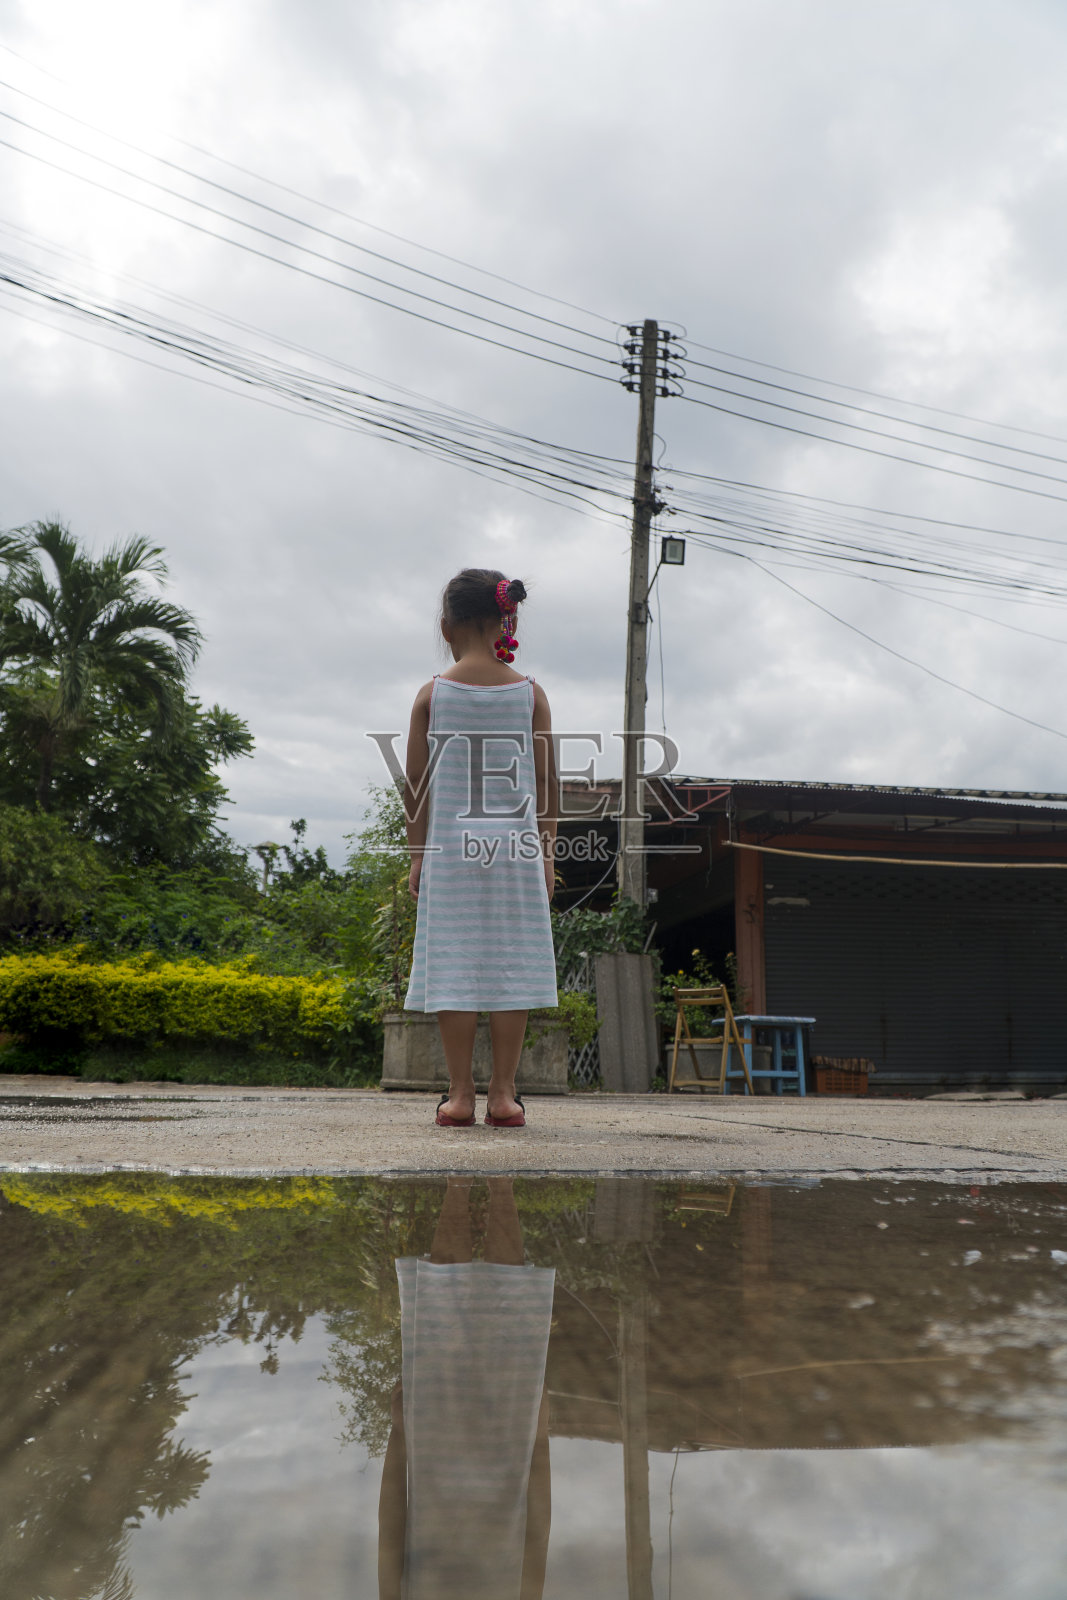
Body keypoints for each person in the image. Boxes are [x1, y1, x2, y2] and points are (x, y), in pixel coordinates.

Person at [404, 568, 558, 1128]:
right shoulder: (530, 694)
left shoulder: (432, 695)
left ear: (447, 627)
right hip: (516, 852)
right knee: (511, 963)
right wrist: (546, 854)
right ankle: (504, 1095)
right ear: (505, 622)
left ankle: (460, 1095)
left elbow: (415, 790)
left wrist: (417, 856)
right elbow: (547, 786)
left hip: (449, 852)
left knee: (455, 963)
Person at [378, 1177, 554, 1600]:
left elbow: (390, 1534)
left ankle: (459, 1184)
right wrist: (541, 1437)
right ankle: (502, 1184)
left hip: (433, 1451)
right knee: (510, 1300)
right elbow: (537, 1535)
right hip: (507, 1455)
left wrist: (398, 1437)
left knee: (443, 1294)